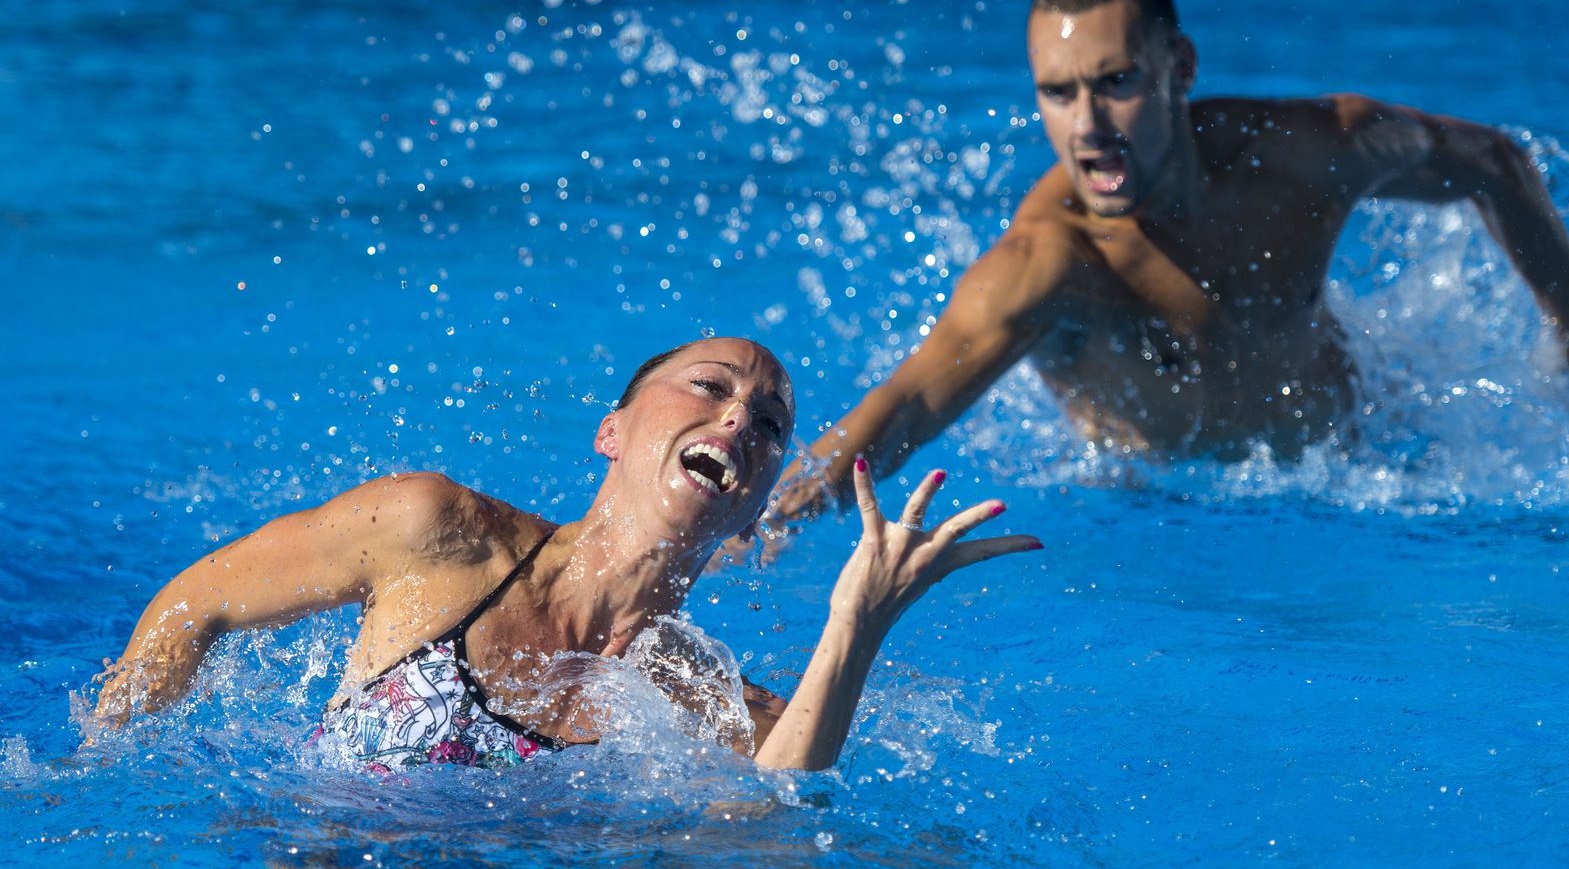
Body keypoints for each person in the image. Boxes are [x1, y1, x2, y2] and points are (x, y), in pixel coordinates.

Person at [757, 0, 1569, 528]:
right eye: (1057, 93)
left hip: (1368, 461)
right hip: (1157, 502)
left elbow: (1498, 162)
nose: (1087, 126)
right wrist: (765, 516)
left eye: (1116, 83)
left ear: (1181, 69)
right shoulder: (1049, 264)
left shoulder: (1305, 156)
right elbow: (902, 408)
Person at [90, 337, 1039, 771]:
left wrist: (856, 624)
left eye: (771, 422)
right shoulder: (439, 533)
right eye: (708, 387)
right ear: (612, 432)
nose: (740, 416)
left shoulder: (703, 695)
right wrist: (110, 761)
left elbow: (774, 829)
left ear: (754, 510)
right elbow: (195, 603)